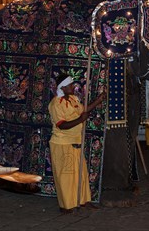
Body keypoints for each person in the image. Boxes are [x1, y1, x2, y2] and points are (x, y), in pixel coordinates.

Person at [48, 74, 104, 214]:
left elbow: (83, 111)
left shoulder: (73, 99)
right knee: (66, 176)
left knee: (80, 174)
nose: (73, 87)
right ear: (63, 87)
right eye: (70, 85)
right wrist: (80, 120)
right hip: (62, 143)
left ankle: (83, 201)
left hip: (76, 141)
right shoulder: (56, 103)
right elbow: (62, 125)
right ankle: (66, 206)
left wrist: (99, 100)